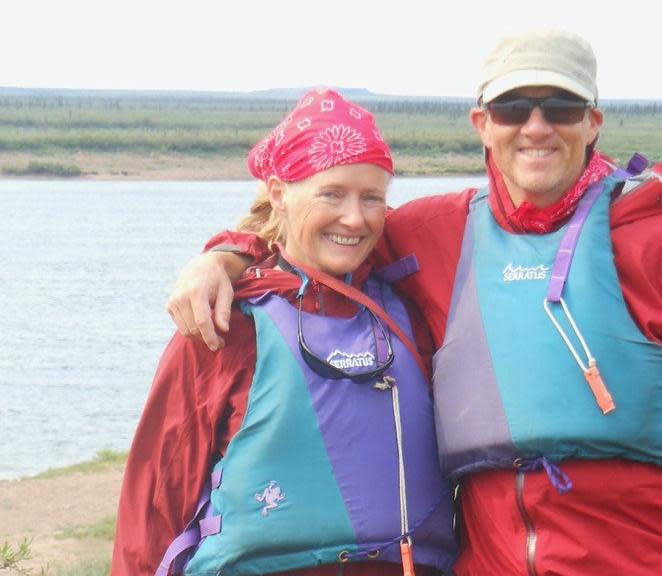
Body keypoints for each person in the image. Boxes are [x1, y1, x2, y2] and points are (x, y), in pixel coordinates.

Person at [167, 30, 662, 575]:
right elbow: (322, 235)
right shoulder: (437, 236)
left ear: (593, 122)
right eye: (512, 107)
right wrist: (227, 254)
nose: (536, 126)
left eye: (560, 106)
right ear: (481, 124)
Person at [113, 89, 458, 575]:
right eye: (331, 194)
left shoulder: (411, 311)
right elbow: (154, 500)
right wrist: (221, 257)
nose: (354, 219)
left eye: (372, 198)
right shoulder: (224, 324)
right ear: (279, 193)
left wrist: (225, 252)